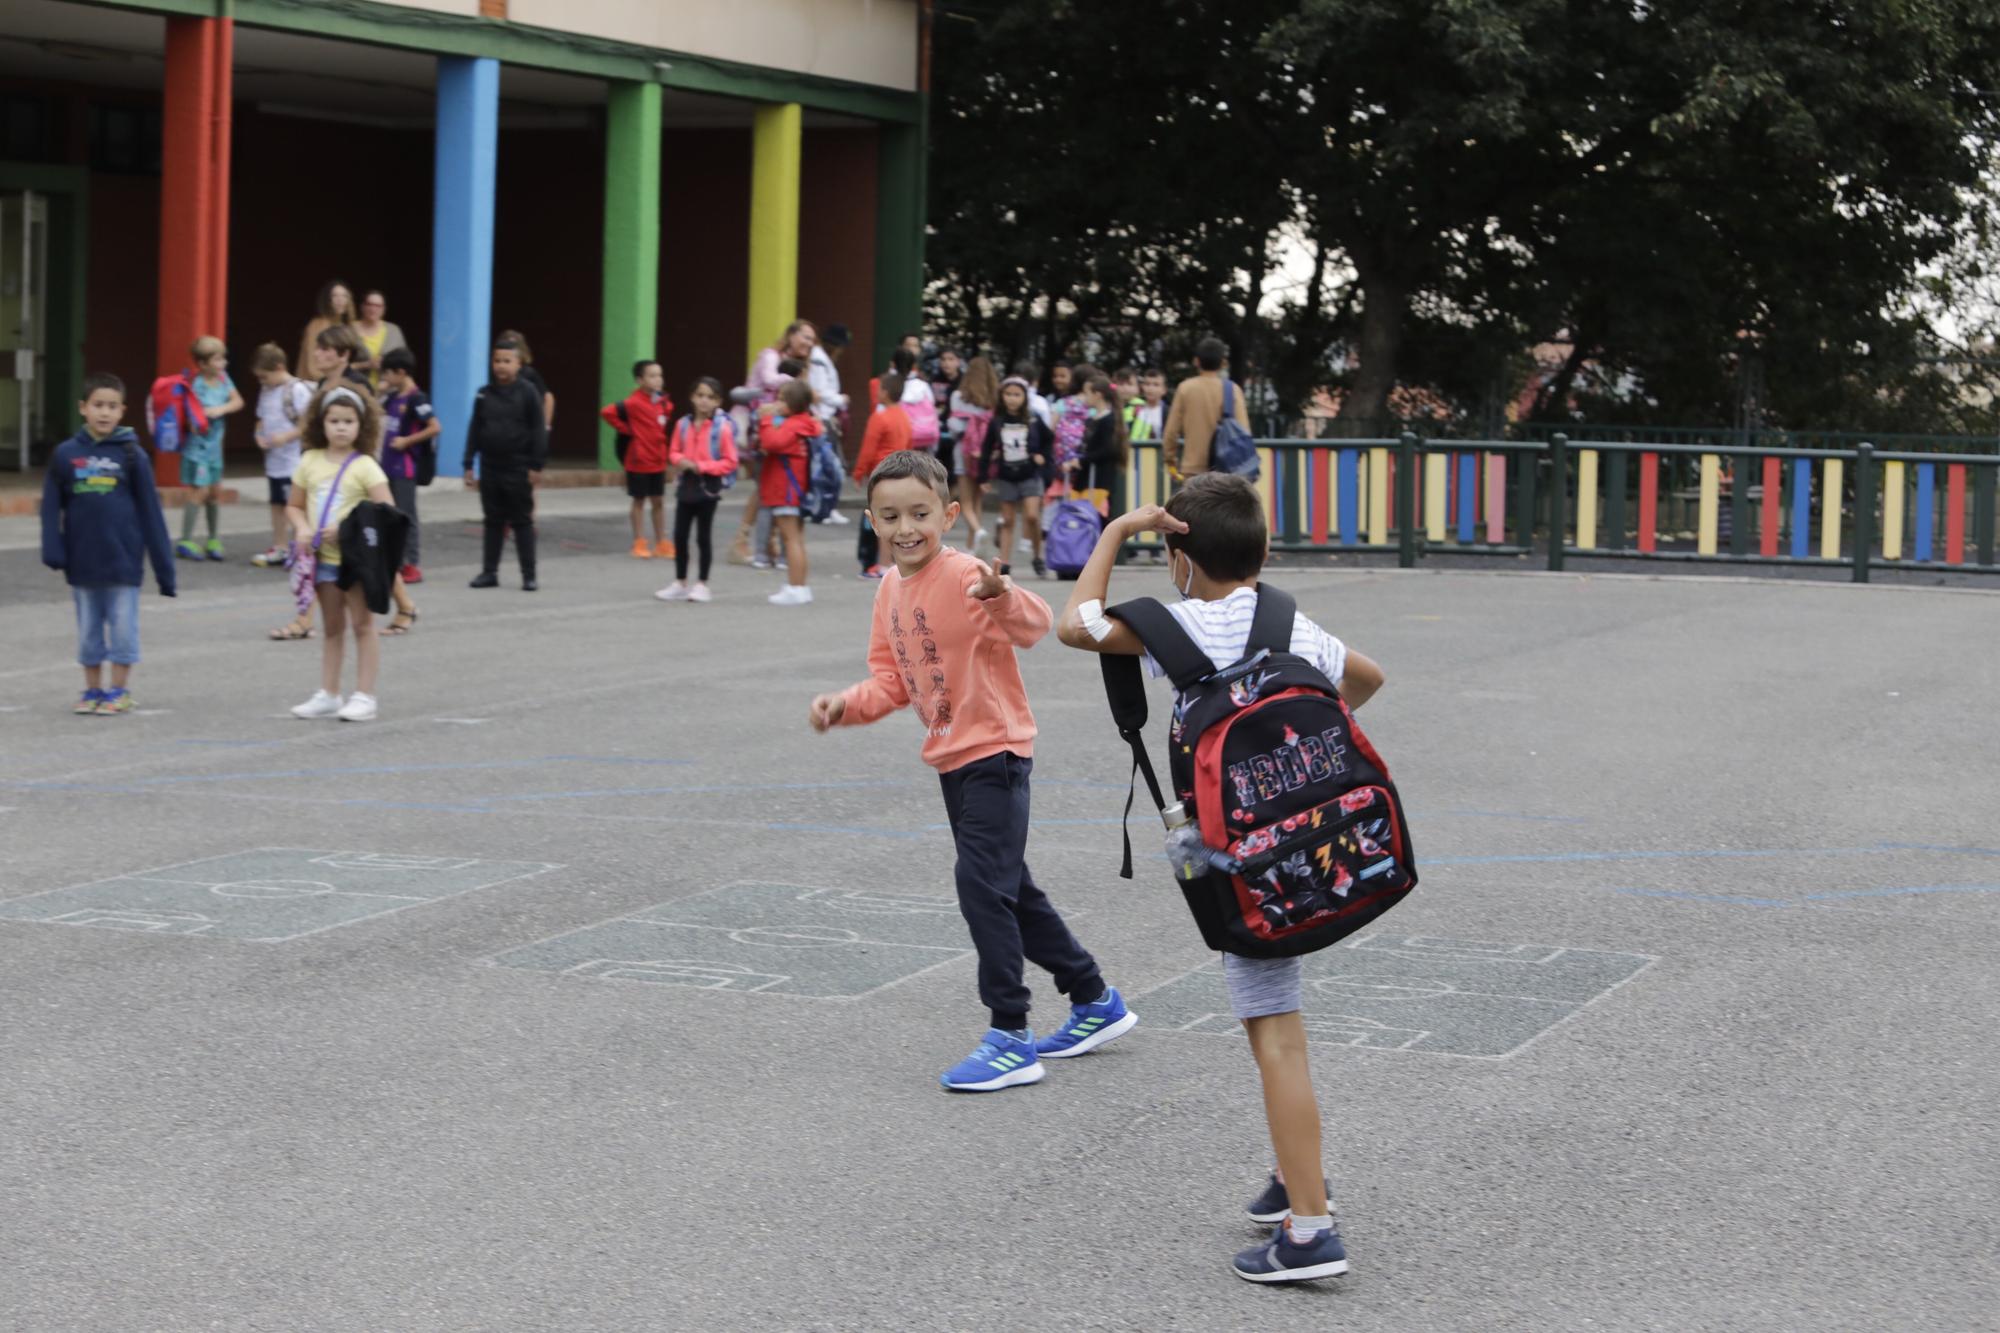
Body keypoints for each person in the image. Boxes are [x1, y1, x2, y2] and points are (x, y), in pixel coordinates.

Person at [1052, 472, 1386, 1284]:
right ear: (1264, 552)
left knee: (1275, 1030)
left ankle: (1311, 1227)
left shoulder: (1173, 626)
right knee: (1267, 1020)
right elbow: (1367, 680)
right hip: (1302, 845)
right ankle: (1293, 1174)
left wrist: (1113, 531)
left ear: (1177, 559)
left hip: (1228, 857)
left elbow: (1075, 624)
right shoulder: (1284, 620)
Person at [808, 449, 1136, 1090]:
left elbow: (1037, 625)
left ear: (950, 514)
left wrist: (1002, 593)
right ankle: (1094, 999)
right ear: (872, 521)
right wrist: (845, 706)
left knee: (981, 886)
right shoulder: (888, 589)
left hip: (997, 755)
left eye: (921, 514)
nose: (907, 528)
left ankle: (1010, 1034)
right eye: (891, 516)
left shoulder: (965, 575)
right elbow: (890, 682)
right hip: (952, 761)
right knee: (1013, 890)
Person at [40, 372, 176, 715]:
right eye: (98, 405)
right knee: (88, 632)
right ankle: (92, 690)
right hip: (83, 561)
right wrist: (52, 548)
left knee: (123, 629)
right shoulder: (66, 455)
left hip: (123, 561)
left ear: (122, 411)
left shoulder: (132, 456)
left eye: (112, 406)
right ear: (83, 408)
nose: (104, 413)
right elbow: (50, 506)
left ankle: (119, 690)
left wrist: (165, 571)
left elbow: (151, 514)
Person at [287, 384, 394, 723]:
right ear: (322, 423)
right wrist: (302, 527)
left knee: (363, 625)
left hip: (356, 562)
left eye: (349, 421)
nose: (342, 427)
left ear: (361, 426)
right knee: (332, 628)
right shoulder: (309, 460)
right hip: (323, 561)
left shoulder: (366, 466)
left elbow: (387, 511)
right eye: (334, 420)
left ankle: (365, 696)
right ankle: (330, 693)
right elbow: (293, 506)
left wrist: (346, 530)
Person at [465, 338, 548, 592]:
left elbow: (538, 429)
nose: (501, 366)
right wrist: (468, 463)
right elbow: (475, 429)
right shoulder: (484, 394)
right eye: (497, 361)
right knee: (492, 520)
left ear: (518, 363)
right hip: (490, 467)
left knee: (522, 521)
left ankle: (529, 575)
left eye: (507, 361)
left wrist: (536, 465)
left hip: (518, 467)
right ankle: (489, 572)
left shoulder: (528, 392)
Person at [733, 320, 818, 564]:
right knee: (764, 488)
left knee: (769, 487)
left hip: (781, 429)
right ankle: (745, 543)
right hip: (762, 429)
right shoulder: (770, 356)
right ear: (791, 335)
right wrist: (797, 382)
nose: (809, 343)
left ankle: (765, 545)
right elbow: (770, 380)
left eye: (812, 340)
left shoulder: (801, 366)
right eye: (805, 336)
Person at [655, 377, 738, 604]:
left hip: (708, 487)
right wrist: (681, 460)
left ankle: (702, 584)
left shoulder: (722, 428)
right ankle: (680, 582)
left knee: (703, 536)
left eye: (710, 397)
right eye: (700, 395)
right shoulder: (683, 424)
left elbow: (730, 461)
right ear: (692, 397)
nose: (704, 401)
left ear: (718, 401)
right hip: (686, 484)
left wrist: (703, 466)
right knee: (680, 535)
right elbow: (672, 451)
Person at [375, 347, 438, 633]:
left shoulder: (417, 399)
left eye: (388, 373)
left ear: (401, 373)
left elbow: (434, 427)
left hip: (406, 468)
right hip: (387, 466)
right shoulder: (391, 397)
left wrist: (407, 441)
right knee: (389, 516)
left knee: (406, 515)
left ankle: (412, 563)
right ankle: (397, 561)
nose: (385, 377)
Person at [170, 336, 243, 563]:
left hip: (214, 450)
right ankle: (185, 539)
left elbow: (238, 401)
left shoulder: (223, 379)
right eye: (217, 359)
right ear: (202, 364)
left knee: (214, 492)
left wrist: (219, 409)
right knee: (198, 491)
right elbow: (190, 418)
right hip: (197, 449)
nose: (223, 363)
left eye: (223, 358)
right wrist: (201, 416)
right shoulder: (196, 386)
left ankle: (213, 538)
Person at [977, 376, 1051, 579]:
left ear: (1025, 397)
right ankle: (1005, 562)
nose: (1012, 399)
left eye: (1016, 394)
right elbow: (986, 448)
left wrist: (1043, 458)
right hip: (1007, 474)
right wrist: (983, 477)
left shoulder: (1033, 418)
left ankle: (1038, 555)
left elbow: (1049, 439)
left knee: (1032, 516)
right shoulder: (997, 421)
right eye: (1008, 394)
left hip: (1030, 474)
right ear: (1002, 396)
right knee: (1008, 519)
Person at [757, 378, 822, 605]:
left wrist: (765, 419)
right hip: (795, 488)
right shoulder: (804, 422)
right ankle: (799, 585)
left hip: (786, 489)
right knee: (796, 538)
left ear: (793, 403)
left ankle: (796, 588)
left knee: (791, 538)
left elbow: (771, 442)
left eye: (782, 398)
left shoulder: (794, 425)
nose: (777, 402)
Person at [249, 343, 313, 574]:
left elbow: (308, 423)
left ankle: (299, 548)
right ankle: (280, 545)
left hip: (292, 461)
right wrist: (258, 435)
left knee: (294, 506)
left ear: (279, 367)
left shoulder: (296, 390)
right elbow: (260, 418)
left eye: (265, 376)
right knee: (276, 504)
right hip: (274, 461)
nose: (262, 381)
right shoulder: (266, 390)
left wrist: (286, 437)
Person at [602, 359, 675, 560]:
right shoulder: (632, 403)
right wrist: (628, 430)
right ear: (640, 380)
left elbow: (665, 415)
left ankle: (661, 541)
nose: (658, 379)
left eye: (659, 375)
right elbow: (607, 412)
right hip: (639, 460)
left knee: (658, 500)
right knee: (639, 500)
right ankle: (639, 541)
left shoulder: (664, 403)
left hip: (657, 460)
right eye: (652, 376)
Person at [850, 370, 915, 578]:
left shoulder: (879, 417)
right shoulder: (905, 418)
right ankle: (896, 561)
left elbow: (868, 449)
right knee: (898, 518)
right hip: (902, 471)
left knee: (883, 519)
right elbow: (909, 446)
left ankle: (883, 564)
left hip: (881, 473)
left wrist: (859, 472)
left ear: (885, 392)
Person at [1161, 337, 1250, 480]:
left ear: (1196, 361)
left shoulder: (1185, 388)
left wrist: (1170, 460)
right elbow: (1244, 431)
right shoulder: (1233, 390)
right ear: (1223, 363)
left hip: (1192, 468)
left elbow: (1171, 432)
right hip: (1226, 470)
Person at [949, 356, 1000, 554]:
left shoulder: (958, 397)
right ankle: (972, 546)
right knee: (977, 500)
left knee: (966, 501)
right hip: (984, 456)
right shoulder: (993, 401)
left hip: (963, 453)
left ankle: (978, 531)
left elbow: (954, 428)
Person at [809, 323, 851, 525]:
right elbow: (820, 392)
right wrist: (839, 399)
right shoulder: (819, 361)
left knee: (829, 466)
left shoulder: (820, 360)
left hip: (826, 418)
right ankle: (825, 507)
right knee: (830, 467)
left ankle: (828, 506)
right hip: (823, 419)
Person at [1072, 374, 1130, 518]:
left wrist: (1081, 461)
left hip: (1100, 479)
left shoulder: (1108, 420)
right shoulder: (1092, 419)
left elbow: (1108, 450)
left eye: (1086, 393)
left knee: (1097, 517)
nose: (1084, 397)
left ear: (1097, 395)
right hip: (1086, 478)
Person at [297, 280, 360, 384]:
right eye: (335, 296)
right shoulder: (317, 325)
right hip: (313, 384)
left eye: (344, 296)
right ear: (328, 300)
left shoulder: (347, 327)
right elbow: (312, 365)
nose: (340, 300)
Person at [351, 290, 409, 394]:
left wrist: (388, 382)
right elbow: (340, 365)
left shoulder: (393, 331)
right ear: (362, 306)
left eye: (378, 306)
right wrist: (366, 364)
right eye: (369, 304)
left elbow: (404, 363)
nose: (373, 309)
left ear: (384, 309)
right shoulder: (350, 330)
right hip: (356, 391)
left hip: (388, 393)